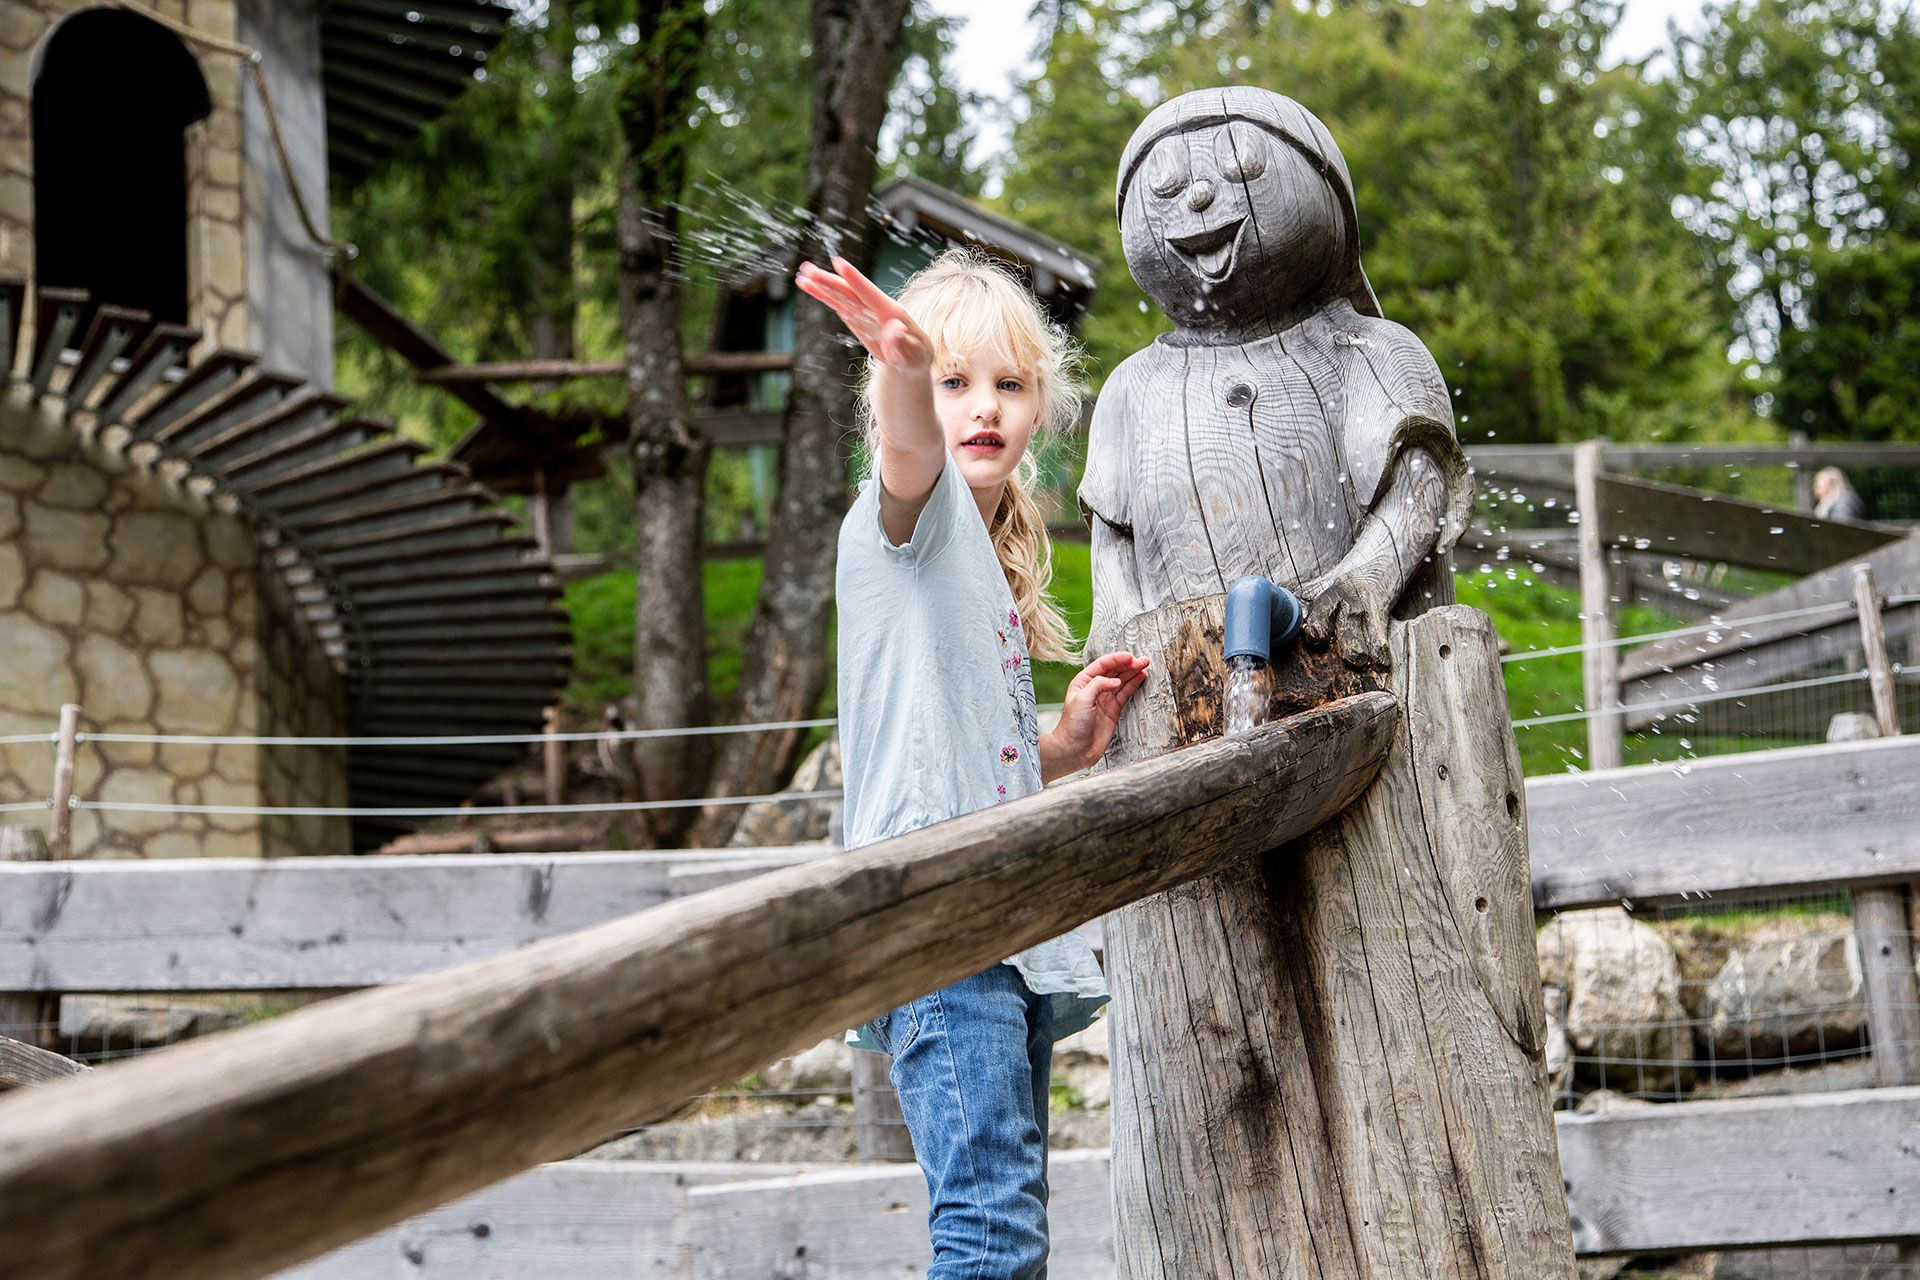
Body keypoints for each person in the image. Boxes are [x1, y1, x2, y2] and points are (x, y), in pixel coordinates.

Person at [794, 246, 1148, 1279]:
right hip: (940, 926)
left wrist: (1062, 744)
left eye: (1008, 383)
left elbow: (962, 759)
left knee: (1008, 1220)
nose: (981, 407)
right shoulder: (908, 515)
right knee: (990, 1233)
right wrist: (905, 369)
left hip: (1001, 926)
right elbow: (911, 447)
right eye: (956, 383)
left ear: (1041, 405)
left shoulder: (979, 562)